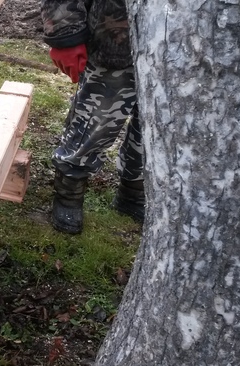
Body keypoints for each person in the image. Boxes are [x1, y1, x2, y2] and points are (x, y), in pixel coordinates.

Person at [41, 0, 145, 234]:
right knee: (94, 122)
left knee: (156, 131)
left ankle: (135, 191)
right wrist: (64, 33)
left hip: (180, 49)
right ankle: (69, 193)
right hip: (114, 35)